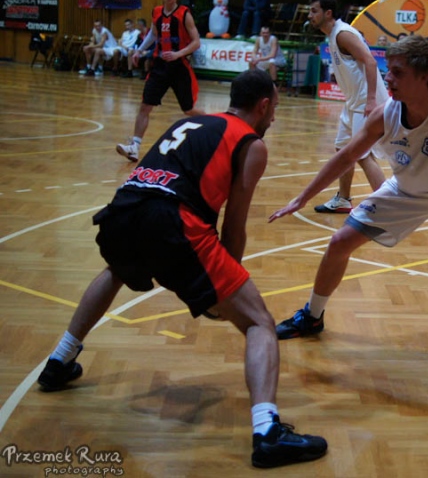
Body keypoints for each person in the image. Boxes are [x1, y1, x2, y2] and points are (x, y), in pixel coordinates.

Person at [36, 69, 328, 469]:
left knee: (116, 269)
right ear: (263, 106)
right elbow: (234, 225)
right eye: (274, 108)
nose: (274, 117)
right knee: (259, 322)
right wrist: (224, 288)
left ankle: (59, 361)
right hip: (172, 221)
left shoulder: (188, 122)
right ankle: (267, 432)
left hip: (123, 209)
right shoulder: (251, 143)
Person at [268, 35, 428, 378]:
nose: (388, 78)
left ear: (424, 76)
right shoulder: (386, 113)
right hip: (406, 191)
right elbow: (346, 156)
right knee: (339, 242)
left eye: (397, 72)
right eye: (388, 70)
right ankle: (312, 316)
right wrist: (303, 197)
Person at [306, 0, 388, 213]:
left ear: (328, 13)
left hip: (364, 102)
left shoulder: (343, 34)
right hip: (353, 102)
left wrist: (371, 100)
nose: (310, 15)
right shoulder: (333, 35)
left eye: (314, 11)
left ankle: (387, 205)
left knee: (363, 155)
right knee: (342, 148)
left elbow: (371, 62)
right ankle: (343, 199)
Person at [117, 0, 203, 163]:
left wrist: (178, 54)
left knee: (188, 109)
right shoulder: (156, 12)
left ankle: (219, 123)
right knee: (145, 105)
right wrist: (139, 50)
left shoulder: (184, 13)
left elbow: (196, 42)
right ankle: (134, 147)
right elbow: (153, 34)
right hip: (160, 66)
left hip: (179, 66)